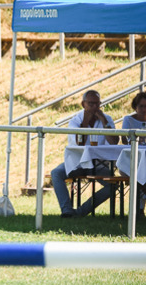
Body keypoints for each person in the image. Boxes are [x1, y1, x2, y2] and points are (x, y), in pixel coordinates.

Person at [49, 89, 118, 217]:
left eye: (97, 104)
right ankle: (67, 211)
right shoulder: (75, 121)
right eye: (91, 104)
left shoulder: (106, 119)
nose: (94, 107)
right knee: (56, 173)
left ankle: (81, 212)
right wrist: (85, 122)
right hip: (78, 163)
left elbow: (114, 142)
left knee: (112, 186)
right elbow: (79, 143)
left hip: (98, 164)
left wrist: (104, 122)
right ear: (83, 104)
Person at [118, 92, 146, 216]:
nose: (144, 109)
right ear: (135, 106)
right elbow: (124, 140)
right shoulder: (128, 119)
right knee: (138, 174)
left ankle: (139, 209)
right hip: (131, 161)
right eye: (141, 106)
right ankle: (138, 209)